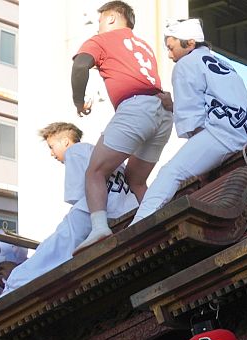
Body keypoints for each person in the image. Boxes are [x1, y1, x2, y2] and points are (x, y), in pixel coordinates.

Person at [129, 19, 247, 224]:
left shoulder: (185, 64)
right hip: (246, 133)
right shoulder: (223, 63)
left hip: (220, 134)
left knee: (171, 172)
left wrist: (199, 158)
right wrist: (174, 106)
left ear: (189, 43)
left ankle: (139, 224)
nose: (169, 55)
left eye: (171, 48)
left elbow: (194, 121)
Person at [72, 1, 173, 250]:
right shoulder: (143, 45)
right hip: (163, 111)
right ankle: (155, 220)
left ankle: (99, 228)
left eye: (100, 21)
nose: (97, 26)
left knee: (95, 171)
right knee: (136, 179)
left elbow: (80, 65)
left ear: (111, 18)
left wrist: (78, 101)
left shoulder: (101, 40)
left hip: (136, 108)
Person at [3, 122, 137, 293]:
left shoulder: (75, 151)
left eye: (52, 147)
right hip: (123, 209)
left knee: (51, 252)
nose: (52, 153)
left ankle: (14, 283)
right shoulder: (103, 152)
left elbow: (78, 194)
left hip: (92, 211)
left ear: (65, 141)